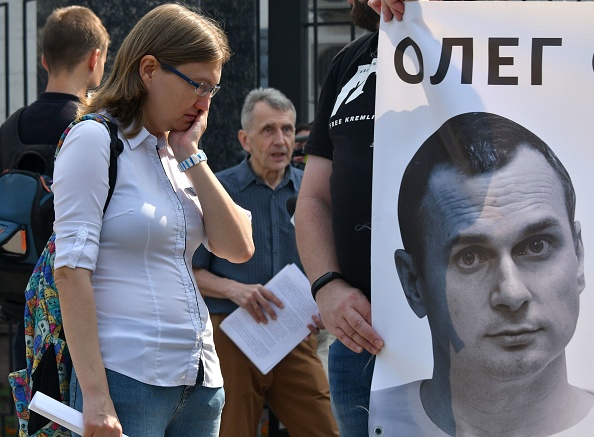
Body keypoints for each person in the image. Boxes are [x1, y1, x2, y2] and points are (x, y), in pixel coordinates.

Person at [52, 4, 254, 436]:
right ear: (148, 69)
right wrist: (96, 396)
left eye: (213, 90)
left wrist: (191, 155)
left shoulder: (174, 152)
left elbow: (238, 249)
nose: (204, 104)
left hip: (200, 382)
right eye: (198, 85)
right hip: (127, 379)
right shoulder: (94, 139)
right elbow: (70, 271)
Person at [370, 112, 593, 436]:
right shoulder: (369, 417)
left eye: (536, 246)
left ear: (580, 256)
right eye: (470, 258)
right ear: (413, 284)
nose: (512, 294)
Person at [193, 87, 338, 437]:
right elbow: (187, 270)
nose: (281, 140)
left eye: (287, 129)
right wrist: (236, 290)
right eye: (268, 130)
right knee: (233, 432)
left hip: (293, 334)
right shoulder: (219, 190)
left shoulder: (312, 193)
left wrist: (326, 299)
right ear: (245, 140)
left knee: (327, 429)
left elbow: (333, 258)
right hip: (232, 332)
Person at [294, 1, 405, 435]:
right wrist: (327, 286)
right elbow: (314, 198)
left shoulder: (488, 44)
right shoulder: (348, 62)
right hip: (360, 338)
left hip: (475, 339)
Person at [0, 5, 109, 373]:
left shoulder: (10, 128)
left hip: (25, 306)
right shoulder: (95, 130)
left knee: (37, 421)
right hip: (87, 310)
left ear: (44, 61)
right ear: (96, 58)